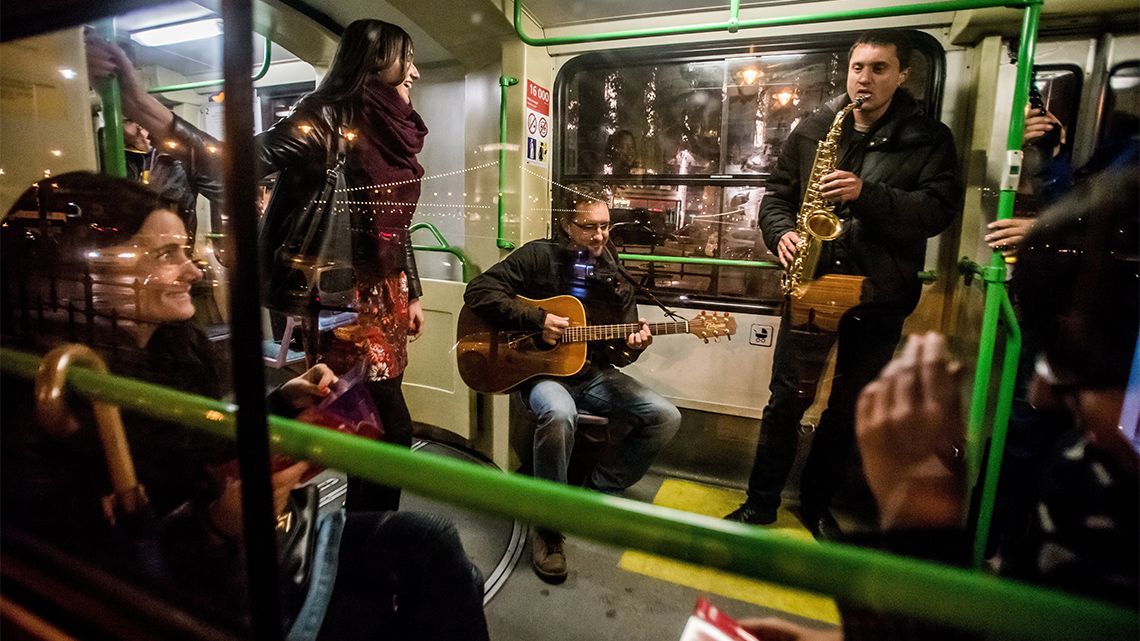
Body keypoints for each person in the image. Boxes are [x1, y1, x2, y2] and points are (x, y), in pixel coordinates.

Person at [0, 172, 490, 641]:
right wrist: (217, 526)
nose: (192, 272)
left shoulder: (168, 357)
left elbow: (206, 449)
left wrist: (281, 402)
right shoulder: (60, 397)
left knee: (435, 542)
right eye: (166, 255)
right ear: (84, 268)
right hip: (217, 596)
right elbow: (122, 582)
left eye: (187, 252)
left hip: (255, 552)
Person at [737, 166, 1139, 640]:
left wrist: (918, 522)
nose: (1039, 393)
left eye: (1077, 364)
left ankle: (815, 501)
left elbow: (932, 209)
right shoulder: (1087, 472)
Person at [87, 19, 429, 512]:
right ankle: (365, 547)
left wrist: (411, 289)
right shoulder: (329, 116)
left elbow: (391, 224)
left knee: (371, 421)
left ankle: (364, 539)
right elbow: (240, 161)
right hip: (341, 296)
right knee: (387, 429)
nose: (414, 72)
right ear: (378, 62)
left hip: (386, 292)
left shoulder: (392, 133)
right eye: (407, 58)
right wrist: (147, 109)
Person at [726, 29, 964, 536]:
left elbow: (938, 211)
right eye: (859, 68)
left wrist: (866, 193)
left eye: (879, 69)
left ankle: (815, 505)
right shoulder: (814, 128)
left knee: (848, 405)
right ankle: (760, 504)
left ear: (902, 75)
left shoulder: (928, 138)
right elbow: (777, 196)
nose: (866, 79)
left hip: (878, 293)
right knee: (787, 397)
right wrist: (782, 233)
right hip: (812, 284)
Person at [463, 185, 681, 584]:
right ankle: (548, 526)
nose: (599, 236)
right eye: (588, 227)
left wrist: (633, 349)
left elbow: (617, 354)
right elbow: (478, 292)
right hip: (539, 372)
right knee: (559, 413)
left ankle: (593, 494)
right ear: (567, 224)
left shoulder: (616, 274)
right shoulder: (539, 256)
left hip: (593, 374)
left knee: (665, 417)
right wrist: (536, 321)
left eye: (605, 226)